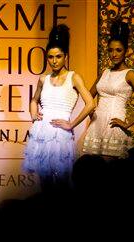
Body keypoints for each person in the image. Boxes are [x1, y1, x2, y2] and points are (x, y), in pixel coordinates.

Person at [22, 24, 95, 191]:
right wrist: (33, 113)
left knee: (62, 182)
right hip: (42, 132)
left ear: (66, 56)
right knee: (45, 183)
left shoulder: (74, 77)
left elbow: (91, 103)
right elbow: (34, 100)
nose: (54, 61)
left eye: (58, 56)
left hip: (61, 134)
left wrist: (71, 124)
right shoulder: (43, 79)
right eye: (50, 57)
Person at [82, 20, 134, 159]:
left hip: (115, 123)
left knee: (111, 169)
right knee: (94, 169)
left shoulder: (130, 74)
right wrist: (92, 114)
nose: (114, 54)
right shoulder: (104, 72)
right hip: (97, 124)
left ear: (126, 51)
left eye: (118, 50)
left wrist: (128, 123)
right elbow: (88, 97)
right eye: (110, 50)